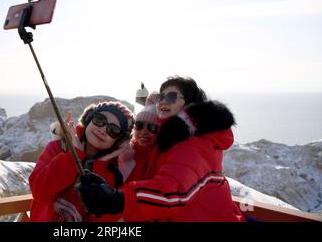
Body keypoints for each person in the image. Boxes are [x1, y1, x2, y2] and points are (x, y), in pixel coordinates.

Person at [76, 76, 245, 222]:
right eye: (160, 97)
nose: (163, 101)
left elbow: (174, 192)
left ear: (190, 105)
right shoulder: (169, 139)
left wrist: (117, 200)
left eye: (171, 96)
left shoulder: (195, 143)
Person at [28, 101, 134, 222]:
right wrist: (74, 155)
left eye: (113, 130)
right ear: (89, 119)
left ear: (118, 142)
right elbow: (39, 190)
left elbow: (100, 218)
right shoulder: (59, 147)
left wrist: (100, 165)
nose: (103, 130)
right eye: (100, 120)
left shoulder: (112, 174)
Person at [118, 104, 160, 182]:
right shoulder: (122, 152)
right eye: (139, 125)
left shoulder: (161, 157)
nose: (144, 132)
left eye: (152, 127)